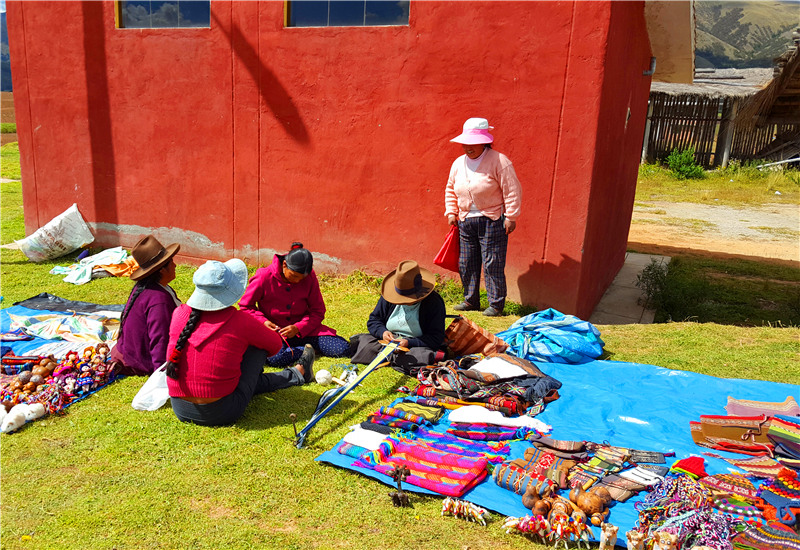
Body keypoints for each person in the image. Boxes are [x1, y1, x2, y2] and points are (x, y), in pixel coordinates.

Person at [166, 259, 316, 427]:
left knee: (243, 371)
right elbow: (275, 345)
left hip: (180, 408)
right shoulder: (240, 320)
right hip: (223, 411)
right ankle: (298, 373)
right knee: (258, 348)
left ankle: (297, 373)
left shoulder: (179, 314)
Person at [445, 117, 522, 316]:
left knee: (492, 262)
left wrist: (511, 216)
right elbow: (450, 189)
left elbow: (512, 190)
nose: (467, 147)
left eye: (473, 143)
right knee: (467, 262)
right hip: (465, 220)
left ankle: (495, 304)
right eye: (465, 143)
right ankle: (470, 300)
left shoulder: (499, 161)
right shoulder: (458, 163)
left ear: (484, 142)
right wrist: (451, 211)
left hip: (492, 219)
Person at [239, 243, 350, 367]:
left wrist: (298, 327)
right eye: (294, 276)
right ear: (284, 265)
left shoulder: (310, 277)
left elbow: (318, 311)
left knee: (342, 349)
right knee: (275, 358)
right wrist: (264, 322)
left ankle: (300, 349)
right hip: (275, 334)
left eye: (301, 279)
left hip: (304, 331)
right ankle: (306, 351)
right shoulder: (263, 277)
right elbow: (245, 307)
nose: (297, 281)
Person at [350, 260, 446, 375]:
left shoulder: (434, 302)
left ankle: (388, 357)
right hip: (388, 341)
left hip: (414, 345)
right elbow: (374, 320)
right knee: (366, 344)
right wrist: (383, 332)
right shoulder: (389, 296)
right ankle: (394, 358)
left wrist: (409, 342)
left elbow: (436, 337)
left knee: (419, 357)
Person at [110, 235, 181, 376]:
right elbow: (160, 339)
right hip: (141, 360)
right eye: (171, 262)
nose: (175, 266)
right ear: (162, 270)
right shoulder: (159, 300)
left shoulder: (151, 288)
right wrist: (161, 373)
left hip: (128, 351)